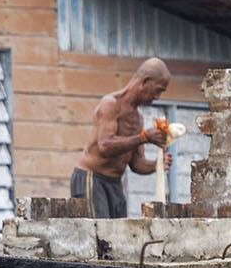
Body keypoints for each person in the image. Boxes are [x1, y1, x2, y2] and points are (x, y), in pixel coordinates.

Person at [71, 57, 172, 219]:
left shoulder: (138, 119)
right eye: (158, 90)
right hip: (92, 179)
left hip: (115, 184)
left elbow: (137, 164)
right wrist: (144, 137)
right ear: (145, 82)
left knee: (117, 237)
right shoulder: (111, 104)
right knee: (99, 236)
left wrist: (157, 164)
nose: (158, 97)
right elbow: (105, 146)